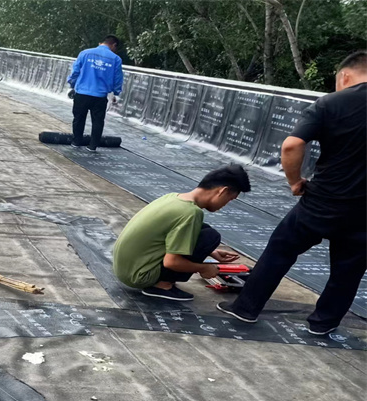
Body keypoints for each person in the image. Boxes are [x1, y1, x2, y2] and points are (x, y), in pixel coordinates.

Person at [217, 52, 367, 334]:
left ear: (345, 76)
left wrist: (295, 181)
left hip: (322, 200)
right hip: (364, 212)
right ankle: (323, 323)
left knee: (281, 249)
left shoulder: (331, 103)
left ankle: (246, 309)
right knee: (348, 269)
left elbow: (291, 145)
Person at [113, 165, 250, 301]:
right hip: (140, 276)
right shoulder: (191, 213)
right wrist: (204, 268)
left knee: (203, 229)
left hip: (125, 269)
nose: (226, 204)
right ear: (222, 191)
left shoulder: (173, 198)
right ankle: (163, 285)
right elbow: (172, 262)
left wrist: (211, 253)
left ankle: (161, 281)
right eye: (230, 199)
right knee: (210, 237)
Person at [67, 35, 123, 152]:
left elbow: (75, 71)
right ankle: (92, 146)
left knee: (78, 118)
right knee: (97, 121)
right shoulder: (115, 59)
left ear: (100, 43)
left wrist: (71, 84)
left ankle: (76, 142)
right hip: (100, 96)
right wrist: (116, 93)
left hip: (82, 93)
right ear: (114, 45)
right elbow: (117, 78)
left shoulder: (85, 53)